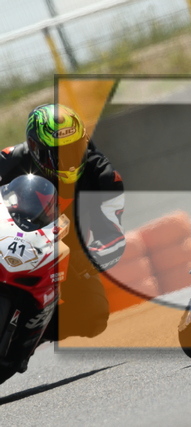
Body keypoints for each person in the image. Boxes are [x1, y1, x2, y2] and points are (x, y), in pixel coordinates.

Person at [0, 104, 126, 343]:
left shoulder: (104, 176)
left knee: (94, 316)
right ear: (35, 147)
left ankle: (28, 336)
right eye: (59, 153)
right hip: (7, 241)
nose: (70, 161)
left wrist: (86, 258)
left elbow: (114, 238)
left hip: (65, 255)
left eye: (76, 149)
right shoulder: (9, 160)